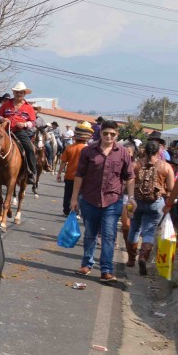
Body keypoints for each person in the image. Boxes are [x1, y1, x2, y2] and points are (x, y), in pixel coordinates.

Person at [70, 120, 134, 283]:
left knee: (109, 235)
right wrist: (74, 198)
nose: (108, 136)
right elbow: (79, 175)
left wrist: (131, 198)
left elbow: (130, 176)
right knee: (90, 234)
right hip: (89, 199)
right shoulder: (88, 151)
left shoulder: (123, 153)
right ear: (100, 133)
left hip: (113, 201)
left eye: (112, 134)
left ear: (117, 135)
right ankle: (86, 264)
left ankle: (106, 270)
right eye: (105, 133)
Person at [127, 138, 175, 275]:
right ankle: (143, 257)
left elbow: (128, 181)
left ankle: (131, 259)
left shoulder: (135, 164)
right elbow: (171, 187)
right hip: (156, 203)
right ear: (159, 151)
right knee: (149, 231)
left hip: (136, 202)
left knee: (134, 228)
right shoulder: (166, 167)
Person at [0, 82, 39, 184]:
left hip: (19, 132)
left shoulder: (29, 107)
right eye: (16, 92)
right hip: (5, 131)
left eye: (20, 93)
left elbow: (33, 122)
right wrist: (2, 119)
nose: (18, 94)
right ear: (13, 93)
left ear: (24, 94)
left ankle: (31, 172)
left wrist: (24, 124)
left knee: (29, 148)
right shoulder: (6, 104)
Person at [57, 121, 93, 216]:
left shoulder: (69, 148)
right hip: (83, 177)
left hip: (69, 175)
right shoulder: (89, 149)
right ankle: (76, 211)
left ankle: (66, 210)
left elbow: (63, 162)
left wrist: (59, 173)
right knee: (79, 195)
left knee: (68, 194)